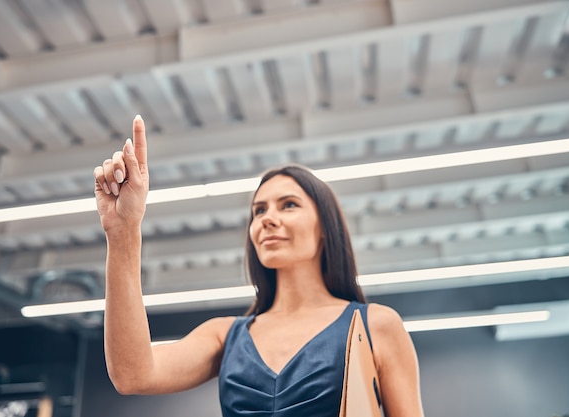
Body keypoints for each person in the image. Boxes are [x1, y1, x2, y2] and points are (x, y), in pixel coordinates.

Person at [93, 115, 424, 417]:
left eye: (289, 205)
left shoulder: (376, 325)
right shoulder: (226, 336)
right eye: (259, 211)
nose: (268, 219)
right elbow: (133, 374)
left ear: (325, 228)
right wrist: (123, 232)